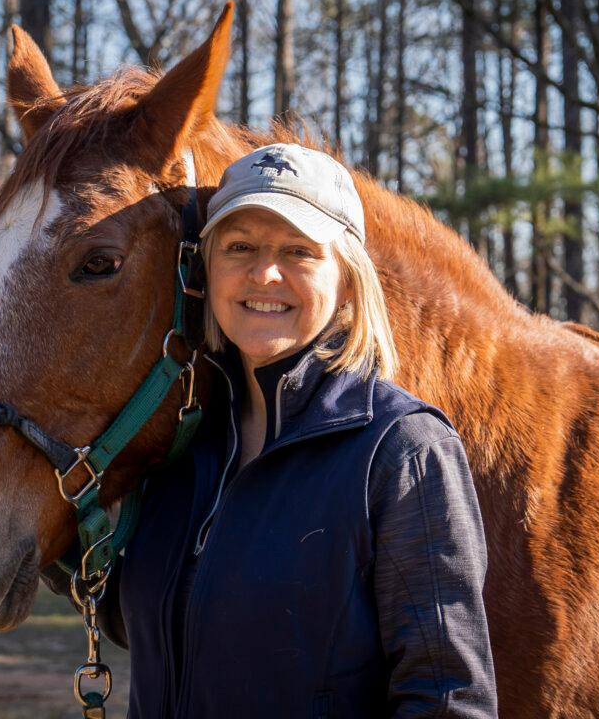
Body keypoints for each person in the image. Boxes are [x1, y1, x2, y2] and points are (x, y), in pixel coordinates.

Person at [64, 143, 497, 718]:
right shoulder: (185, 445)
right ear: (206, 270)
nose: (264, 273)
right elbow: (155, 620)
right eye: (239, 247)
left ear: (346, 281)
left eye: (298, 251)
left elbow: (449, 702)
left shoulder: (402, 452)